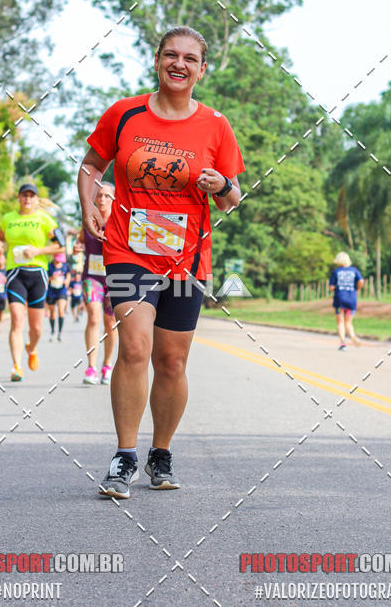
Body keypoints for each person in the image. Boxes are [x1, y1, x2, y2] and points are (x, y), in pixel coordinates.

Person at [78, 25, 245, 499]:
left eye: (190, 58)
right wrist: (90, 204)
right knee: (134, 346)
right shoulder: (125, 113)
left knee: (171, 361)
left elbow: (234, 198)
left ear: (202, 69)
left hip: (187, 257)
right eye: (171, 55)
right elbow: (92, 165)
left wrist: (221, 187)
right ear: (157, 61)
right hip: (129, 250)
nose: (179, 64)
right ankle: (124, 456)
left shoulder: (215, 125)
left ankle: (161, 452)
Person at [0, 184, 63, 381]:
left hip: (38, 274)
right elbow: (0, 239)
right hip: (15, 272)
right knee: (17, 320)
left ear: (36, 200)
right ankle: (17, 367)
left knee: (36, 328)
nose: (27, 199)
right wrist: (0, 249)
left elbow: (60, 246)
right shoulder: (8, 219)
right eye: (24, 195)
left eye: (31, 196)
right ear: (18, 198)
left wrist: (38, 251)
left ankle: (32, 348)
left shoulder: (45, 219)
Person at [79, 183, 117, 385]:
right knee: (94, 317)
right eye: (99, 195)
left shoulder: (120, 221)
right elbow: (81, 239)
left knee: (110, 322)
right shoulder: (88, 220)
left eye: (106, 196)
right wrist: (78, 246)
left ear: (113, 199)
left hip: (115, 277)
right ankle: (91, 367)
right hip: (91, 276)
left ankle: (107, 364)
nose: (102, 199)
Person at [329, 252, 364, 349]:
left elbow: (331, 287)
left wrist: (336, 288)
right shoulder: (354, 270)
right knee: (348, 322)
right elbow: (361, 281)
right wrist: (357, 289)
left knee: (340, 322)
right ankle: (353, 337)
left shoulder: (336, 272)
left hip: (340, 300)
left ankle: (343, 343)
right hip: (351, 299)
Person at [46, 251, 71, 342]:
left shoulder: (65, 266)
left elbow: (68, 275)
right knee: (52, 313)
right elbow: (46, 277)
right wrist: (51, 278)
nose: (58, 262)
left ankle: (60, 332)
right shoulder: (49, 266)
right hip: (51, 291)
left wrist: (67, 281)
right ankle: (53, 331)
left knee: (61, 310)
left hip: (62, 291)